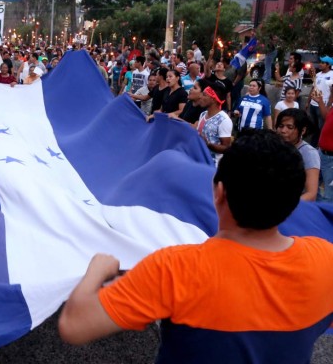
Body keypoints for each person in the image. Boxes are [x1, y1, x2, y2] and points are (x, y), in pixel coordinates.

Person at [59, 129, 333, 364]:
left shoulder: (177, 269)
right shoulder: (325, 259)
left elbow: (75, 326)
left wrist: (97, 270)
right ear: (293, 202)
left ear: (219, 192)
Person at [275, 108, 319, 201]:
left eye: (290, 127)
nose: (283, 130)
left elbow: (311, 194)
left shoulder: (309, 153)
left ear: (302, 130)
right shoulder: (274, 146)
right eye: (281, 126)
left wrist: (285, 207)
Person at [196, 82, 233, 165]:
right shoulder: (203, 114)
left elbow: (226, 148)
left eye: (204, 95)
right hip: (199, 162)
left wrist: (208, 144)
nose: (200, 97)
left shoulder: (224, 120)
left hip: (213, 167)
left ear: (213, 99)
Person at [310, 86, 333, 202]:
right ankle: (317, 208)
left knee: (330, 193)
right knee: (311, 184)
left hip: (331, 157)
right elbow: (326, 117)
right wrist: (320, 102)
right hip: (321, 152)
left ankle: (326, 215)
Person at [308, 56, 333, 147]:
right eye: (320, 62)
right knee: (314, 127)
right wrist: (308, 102)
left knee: (321, 127)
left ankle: (320, 146)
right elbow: (313, 88)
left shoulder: (332, 75)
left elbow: (332, 92)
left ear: (328, 65)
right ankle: (313, 145)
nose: (320, 64)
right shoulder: (318, 75)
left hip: (323, 105)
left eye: (323, 63)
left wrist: (328, 106)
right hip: (313, 104)